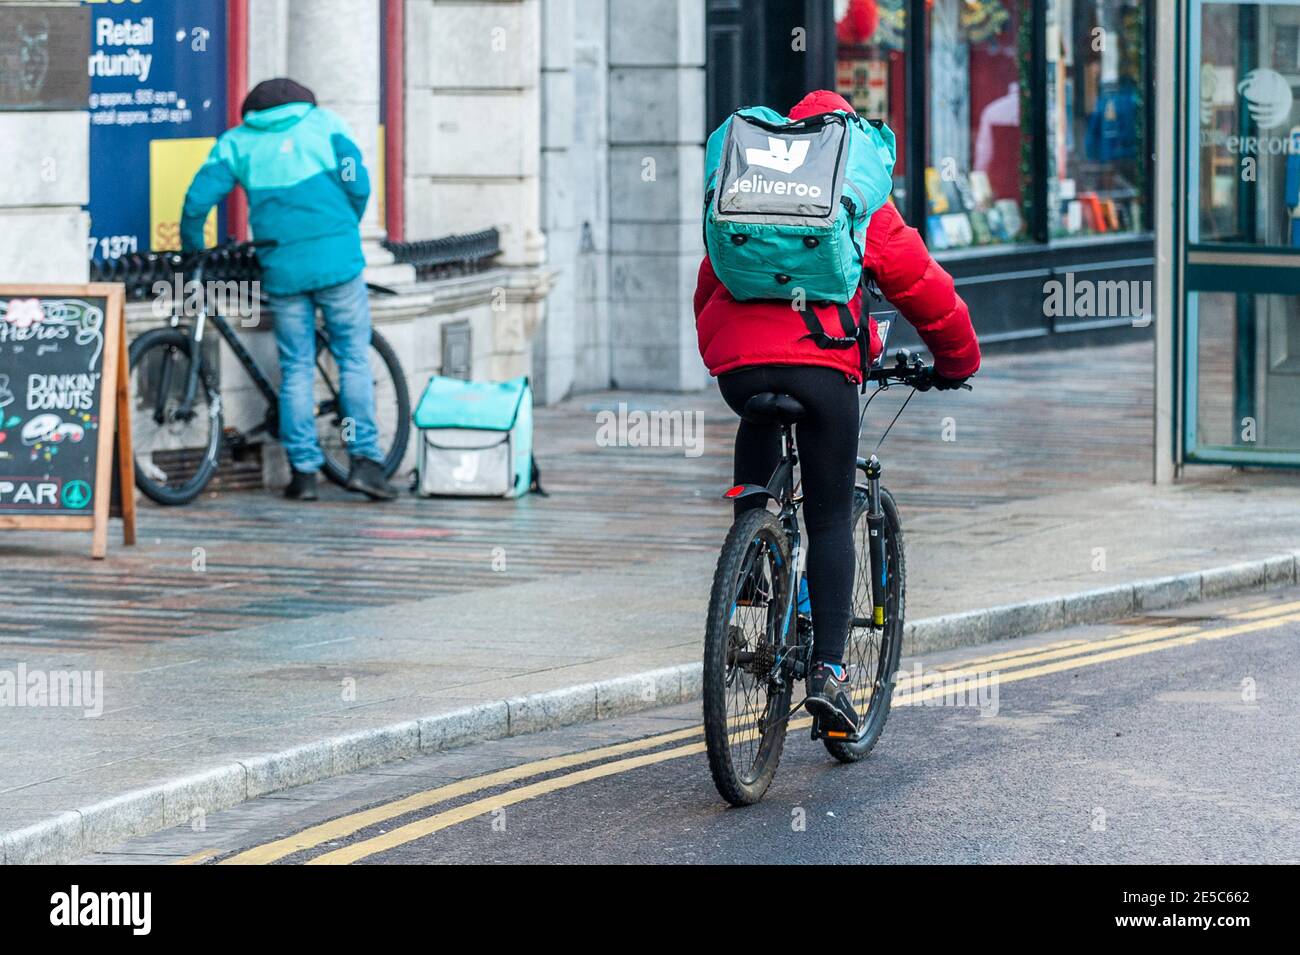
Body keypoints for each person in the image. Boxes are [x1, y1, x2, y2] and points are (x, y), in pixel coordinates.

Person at [694, 90, 981, 733]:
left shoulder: (754, 184)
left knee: (759, 416)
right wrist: (957, 360)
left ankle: (752, 560)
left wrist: (728, 355)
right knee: (827, 516)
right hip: (822, 370)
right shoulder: (854, 192)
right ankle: (830, 671)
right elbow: (923, 287)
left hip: (741, 373)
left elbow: (710, 281)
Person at [180, 77, 398, 502]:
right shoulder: (327, 125)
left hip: (283, 267)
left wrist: (194, 249)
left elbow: (196, 201)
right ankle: (365, 464)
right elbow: (358, 183)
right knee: (352, 359)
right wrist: (342, 224)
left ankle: (304, 473)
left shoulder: (237, 142)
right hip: (338, 261)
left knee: (296, 366)